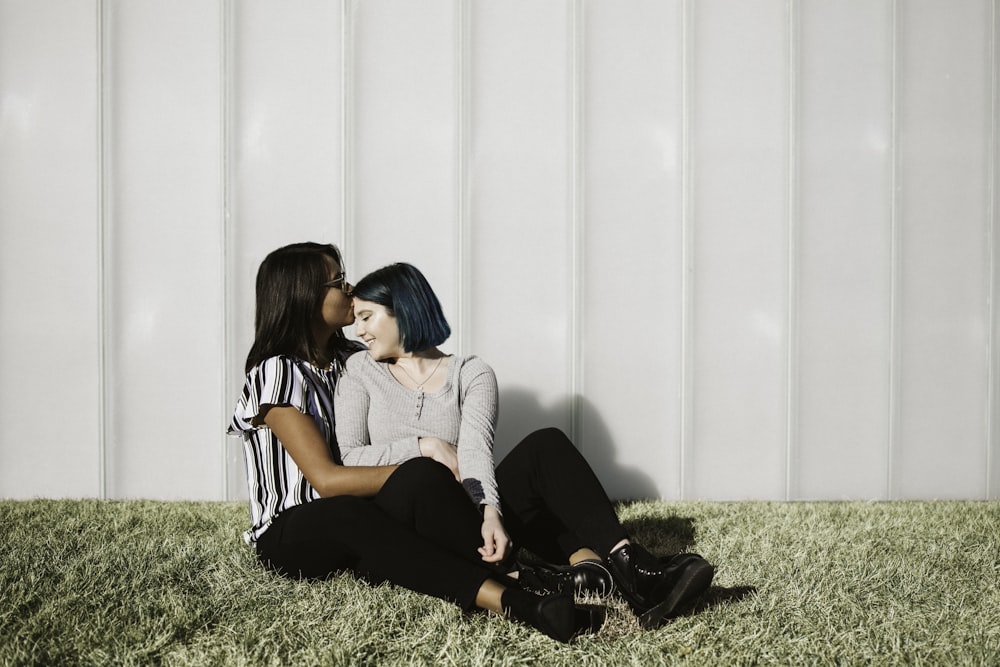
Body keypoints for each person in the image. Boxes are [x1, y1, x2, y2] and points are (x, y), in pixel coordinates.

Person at [227, 242, 604, 643]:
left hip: (367, 517)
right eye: (339, 281)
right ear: (303, 295)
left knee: (442, 480)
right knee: (368, 501)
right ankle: (517, 597)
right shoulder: (278, 372)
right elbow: (326, 481)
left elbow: (418, 388)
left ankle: (596, 564)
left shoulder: (353, 359)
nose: (351, 290)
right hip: (296, 528)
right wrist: (424, 449)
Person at [334, 262, 716, 629]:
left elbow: (475, 451)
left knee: (544, 446)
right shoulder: (359, 372)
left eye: (367, 317)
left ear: (403, 308)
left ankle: (630, 565)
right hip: (416, 515)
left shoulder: (471, 372)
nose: (359, 331)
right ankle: (585, 575)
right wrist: (425, 445)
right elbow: (350, 456)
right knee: (424, 476)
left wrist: (489, 513)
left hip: (467, 512)